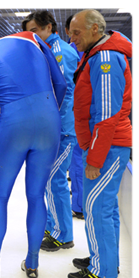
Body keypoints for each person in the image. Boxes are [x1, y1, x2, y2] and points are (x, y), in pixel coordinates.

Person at [0, 24, 66, 278]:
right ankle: (32, 264)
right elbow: (61, 84)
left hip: (12, 126)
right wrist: (47, 114)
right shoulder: (31, 38)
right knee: (36, 195)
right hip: (50, 121)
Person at [67, 9, 135, 278]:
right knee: (104, 207)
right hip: (105, 145)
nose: (72, 39)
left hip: (108, 147)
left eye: (76, 32)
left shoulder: (105, 58)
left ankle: (103, 271)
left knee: (96, 208)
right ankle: (104, 259)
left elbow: (107, 114)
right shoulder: (97, 54)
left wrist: (94, 158)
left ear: (95, 30)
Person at [22, 10, 80, 252]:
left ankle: (63, 234)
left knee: (54, 179)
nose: (32, 35)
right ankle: (53, 224)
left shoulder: (60, 51)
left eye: (34, 30)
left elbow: (63, 92)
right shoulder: (45, 50)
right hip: (53, 128)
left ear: (49, 27)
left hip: (63, 128)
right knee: (48, 179)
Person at [65, 15, 84, 219]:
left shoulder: (72, 50)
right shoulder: (87, 51)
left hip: (77, 112)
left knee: (77, 157)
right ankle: (79, 200)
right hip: (80, 111)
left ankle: (79, 205)